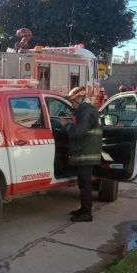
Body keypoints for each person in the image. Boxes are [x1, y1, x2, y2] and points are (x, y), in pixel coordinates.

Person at [60, 86, 102, 223]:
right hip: (84, 153)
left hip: (86, 154)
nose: (72, 105)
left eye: (73, 102)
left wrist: (66, 125)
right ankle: (83, 209)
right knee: (83, 185)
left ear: (79, 99)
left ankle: (87, 214)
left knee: (85, 185)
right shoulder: (85, 111)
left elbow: (77, 133)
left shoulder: (87, 112)